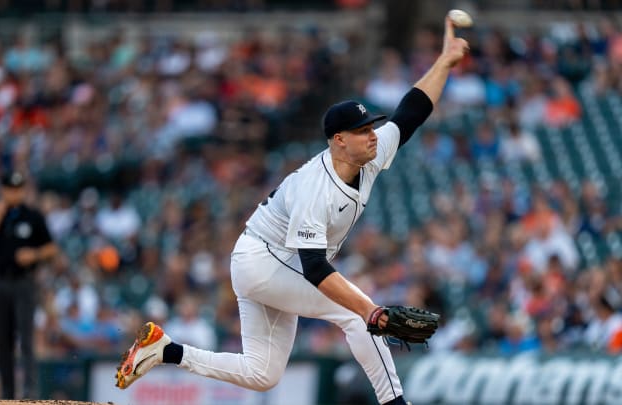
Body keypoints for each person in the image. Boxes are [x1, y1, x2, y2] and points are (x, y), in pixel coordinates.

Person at [116, 15, 469, 405]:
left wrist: (445, 62)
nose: (373, 135)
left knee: (262, 373)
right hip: (263, 260)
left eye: (372, 127)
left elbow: (411, 112)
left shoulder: (368, 153)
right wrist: (373, 312)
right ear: (339, 141)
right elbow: (315, 268)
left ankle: (166, 351)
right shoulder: (313, 188)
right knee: (355, 315)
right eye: (363, 130)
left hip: (269, 260)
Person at [0, 170, 57, 399]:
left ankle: (30, 393)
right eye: (11, 189)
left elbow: (52, 248)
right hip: (0, 282)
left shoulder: (33, 216)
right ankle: (8, 392)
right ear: (2, 190)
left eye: (19, 189)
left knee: (26, 338)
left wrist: (35, 253)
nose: (15, 193)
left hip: (24, 283)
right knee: (3, 341)